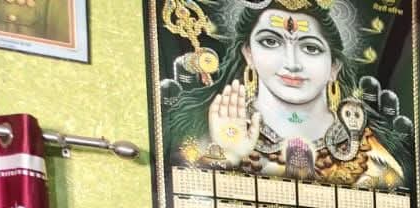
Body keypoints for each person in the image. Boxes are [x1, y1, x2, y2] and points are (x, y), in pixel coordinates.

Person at [169, 0, 407, 188]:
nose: (291, 64)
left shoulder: (369, 151)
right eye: (270, 42)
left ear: (334, 66)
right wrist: (229, 155)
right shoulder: (208, 131)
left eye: (310, 48)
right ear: (248, 53)